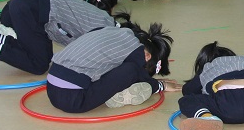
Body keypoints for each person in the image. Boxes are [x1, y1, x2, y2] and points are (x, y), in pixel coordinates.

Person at [0, 0, 123, 79]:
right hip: (29, 11)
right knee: (39, 64)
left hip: (28, 2)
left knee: (40, 51)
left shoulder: (107, 24)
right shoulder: (103, 30)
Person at [45, 21, 180, 113]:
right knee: (131, 71)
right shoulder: (138, 50)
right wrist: (159, 86)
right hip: (74, 99)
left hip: (51, 87)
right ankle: (119, 95)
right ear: (147, 56)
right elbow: (136, 72)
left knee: (115, 67)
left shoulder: (111, 31)